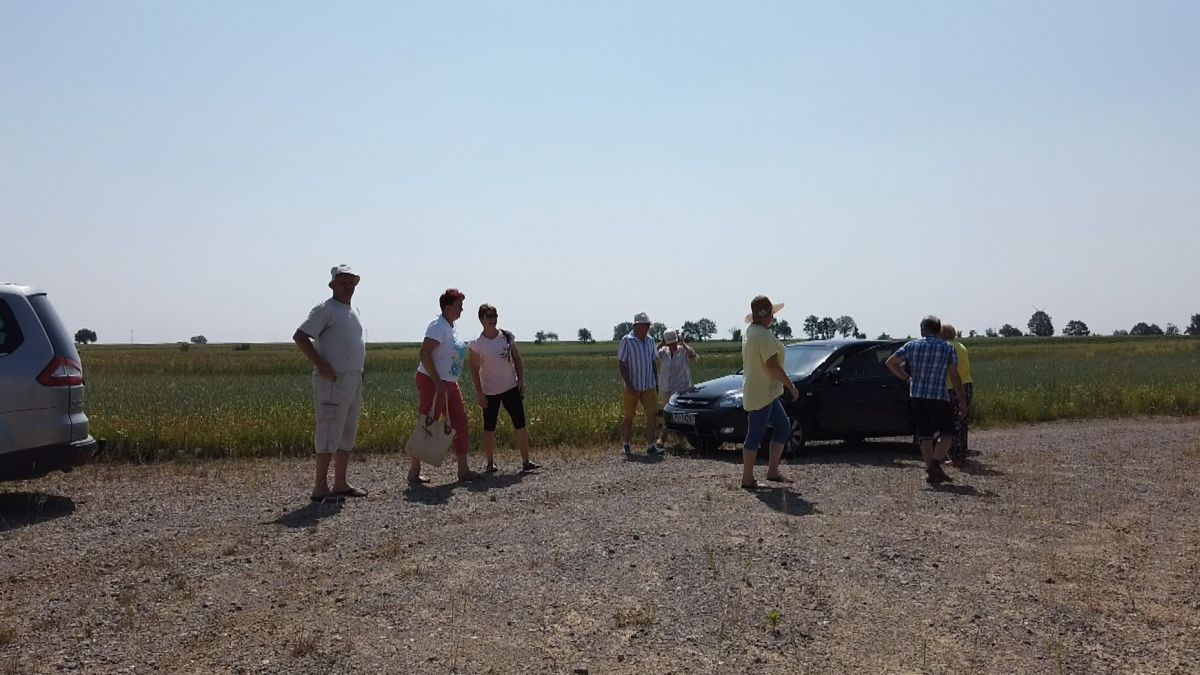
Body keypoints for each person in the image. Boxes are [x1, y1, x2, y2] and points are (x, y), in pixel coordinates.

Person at [292, 264, 369, 502]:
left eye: (351, 283)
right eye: (343, 282)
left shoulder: (353, 310)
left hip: (352, 381)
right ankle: (320, 487)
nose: (348, 287)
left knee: (346, 431)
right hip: (332, 381)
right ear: (333, 284)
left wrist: (360, 370)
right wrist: (322, 365)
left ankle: (340, 483)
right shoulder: (325, 309)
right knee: (328, 432)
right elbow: (300, 336)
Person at [885, 315, 968, 485]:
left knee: (925, 436)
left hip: (917, 396)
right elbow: (954, 375)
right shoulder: (947, 348)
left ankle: (932, 471)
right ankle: (935, 465)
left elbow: (890, 363)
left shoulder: (912, 345)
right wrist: (962, 400)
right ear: (938, 329)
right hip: (938, 396)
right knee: (948, 433)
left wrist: (907, 378)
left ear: (923, 329)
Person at [409, 288, 480, 484]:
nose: (461, 309)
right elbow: (424, 353)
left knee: (459, 422)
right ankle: (414, 471)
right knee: (428, 422)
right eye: (458, 305)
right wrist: (437, 382)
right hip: (433, 382)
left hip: (449, 382)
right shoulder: (437, 326)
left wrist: (448, 381)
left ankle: (463, 470)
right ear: (447, 307)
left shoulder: (450, 327)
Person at [468, 303, 538, 473]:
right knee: (489, 427)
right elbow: (474, 370)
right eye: (489, 316)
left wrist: (521, 381)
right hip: (489, 391)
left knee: (520, 423)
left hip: (510, 387)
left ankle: (526, 461)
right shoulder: (477, 344)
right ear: (481, 319)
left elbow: (517, 359)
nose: (493, 319)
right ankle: (490, 463)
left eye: (495, 315)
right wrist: (479, 394)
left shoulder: (506, 336)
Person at [740, 296, 799, 489]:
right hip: (762, 393)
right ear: (768, 315)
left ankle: (773, 471)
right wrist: (790, 385)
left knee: (783, 427)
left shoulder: (751, 332)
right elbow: (772, 366)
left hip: (764, 392)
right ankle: (747, 479)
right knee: (755, 435)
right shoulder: (763, 336)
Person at [617, 312, 661, 455]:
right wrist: (628, 383)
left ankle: (650, 446)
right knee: (629, 416)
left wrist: (656, 382)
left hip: (649, 384)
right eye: (645, 325)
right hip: (633, 385)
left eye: (648, 325)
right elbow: (621, 363)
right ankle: (626, 444)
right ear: (636, 326)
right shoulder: (626, 340)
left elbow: (653, 361)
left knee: (651, 415)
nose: (647, 327)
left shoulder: (650, 340)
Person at [939, 323, 974, 467]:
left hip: (953, 386)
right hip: (967, 383)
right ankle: (962, 453)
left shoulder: (946, 347)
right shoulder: (961, 346)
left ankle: (956, 456)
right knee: (963, 420)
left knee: (953, 422)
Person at [655, 329, 698, 446]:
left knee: (675, 412)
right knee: (668, 412)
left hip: (680, 387)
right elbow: (651, 354)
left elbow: (692, 354)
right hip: (665, 386)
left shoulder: (683, 351)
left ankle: (663, 437)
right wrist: (661, 343)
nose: (672, 345)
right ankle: (679, 439)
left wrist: (683, 343)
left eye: (674, 342)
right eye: (669, 343)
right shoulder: (662, 352)